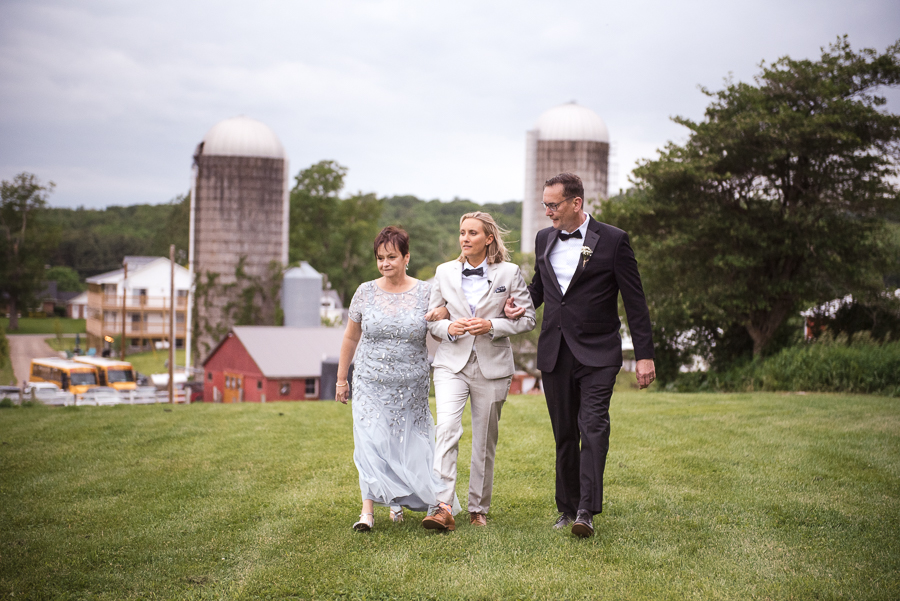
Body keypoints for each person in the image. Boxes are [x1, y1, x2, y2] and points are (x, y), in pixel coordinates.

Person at [506, 172, 655, 538]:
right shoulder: (544, 239)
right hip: (555, 351)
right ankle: (566, 507)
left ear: (576, 203)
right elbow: (540, 290)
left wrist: (645, 355)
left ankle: (586, 511)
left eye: (553, 205)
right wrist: (518, 305)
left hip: (599, 352)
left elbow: (635, 303)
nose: (548, 213)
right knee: (564, 434)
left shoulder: (614, 241)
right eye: (545, 205)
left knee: (593, 427)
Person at [335, 226, 458, 532]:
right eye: (380, 258)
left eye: (391, 257)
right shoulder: (364, 291)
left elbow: (442, 325)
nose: (385, 263)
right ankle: (367, 512)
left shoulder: (425, 293)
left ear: (406, 257)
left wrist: (444, 314)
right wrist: (341, 379)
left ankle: (411, 502)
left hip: (410, 384)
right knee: (369, 442)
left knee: (411, 445)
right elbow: (351, 338)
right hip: (369, 379)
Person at [422, 212, 535, 531]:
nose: (465, 238)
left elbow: (526, 320)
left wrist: (493, 325)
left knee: (485, 439)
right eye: (461, 232)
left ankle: (477, 509)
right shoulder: (443, 272)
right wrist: (449, 327)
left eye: (473, 233)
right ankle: (442, 505)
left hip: (493, 366)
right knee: (445, 428)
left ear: (488, 239)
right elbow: (432, 321)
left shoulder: (510, 273)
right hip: (451, 364)